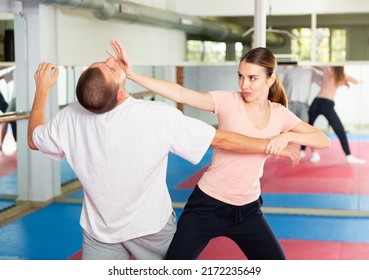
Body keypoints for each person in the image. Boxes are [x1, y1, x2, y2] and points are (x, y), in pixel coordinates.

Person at [28, 51, 300, 259]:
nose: (110, 60)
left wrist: (42, 89)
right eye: (110, 67)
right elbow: (222, 139)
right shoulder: (155, 115)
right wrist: (272, 144)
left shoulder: (69, 117)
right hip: (151, 230)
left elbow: (33, 138)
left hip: (100, 234)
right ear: (121, 94)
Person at [114, 40, 331, 260]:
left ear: (270, 78)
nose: (244, 84)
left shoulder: (280, 114)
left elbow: (323, 139)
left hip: (248, 210)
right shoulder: (228, 101)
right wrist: (131, 74)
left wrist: (288, 136)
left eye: (252, 78)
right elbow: (180, 93)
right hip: (207, 206)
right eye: (241, 76)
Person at [300, 66, 366, 164]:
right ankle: (349, 156)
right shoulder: (341, 75)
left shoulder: (328, 70)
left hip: (317, 102)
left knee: (308, 127)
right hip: (326, 103)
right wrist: (355, 81)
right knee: (339, 131)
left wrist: (308, 65)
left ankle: (302, 151)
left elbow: (316, 66)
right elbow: (356, 81)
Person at [282, 65, 321, 162]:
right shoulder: (287, 71)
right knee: (283, 130)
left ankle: (314, 152)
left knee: (307, 130)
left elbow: (322, 79)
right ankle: (287, 151)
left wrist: (314, 66)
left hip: (302, 104)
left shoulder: (309, 71)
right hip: (289, 103)